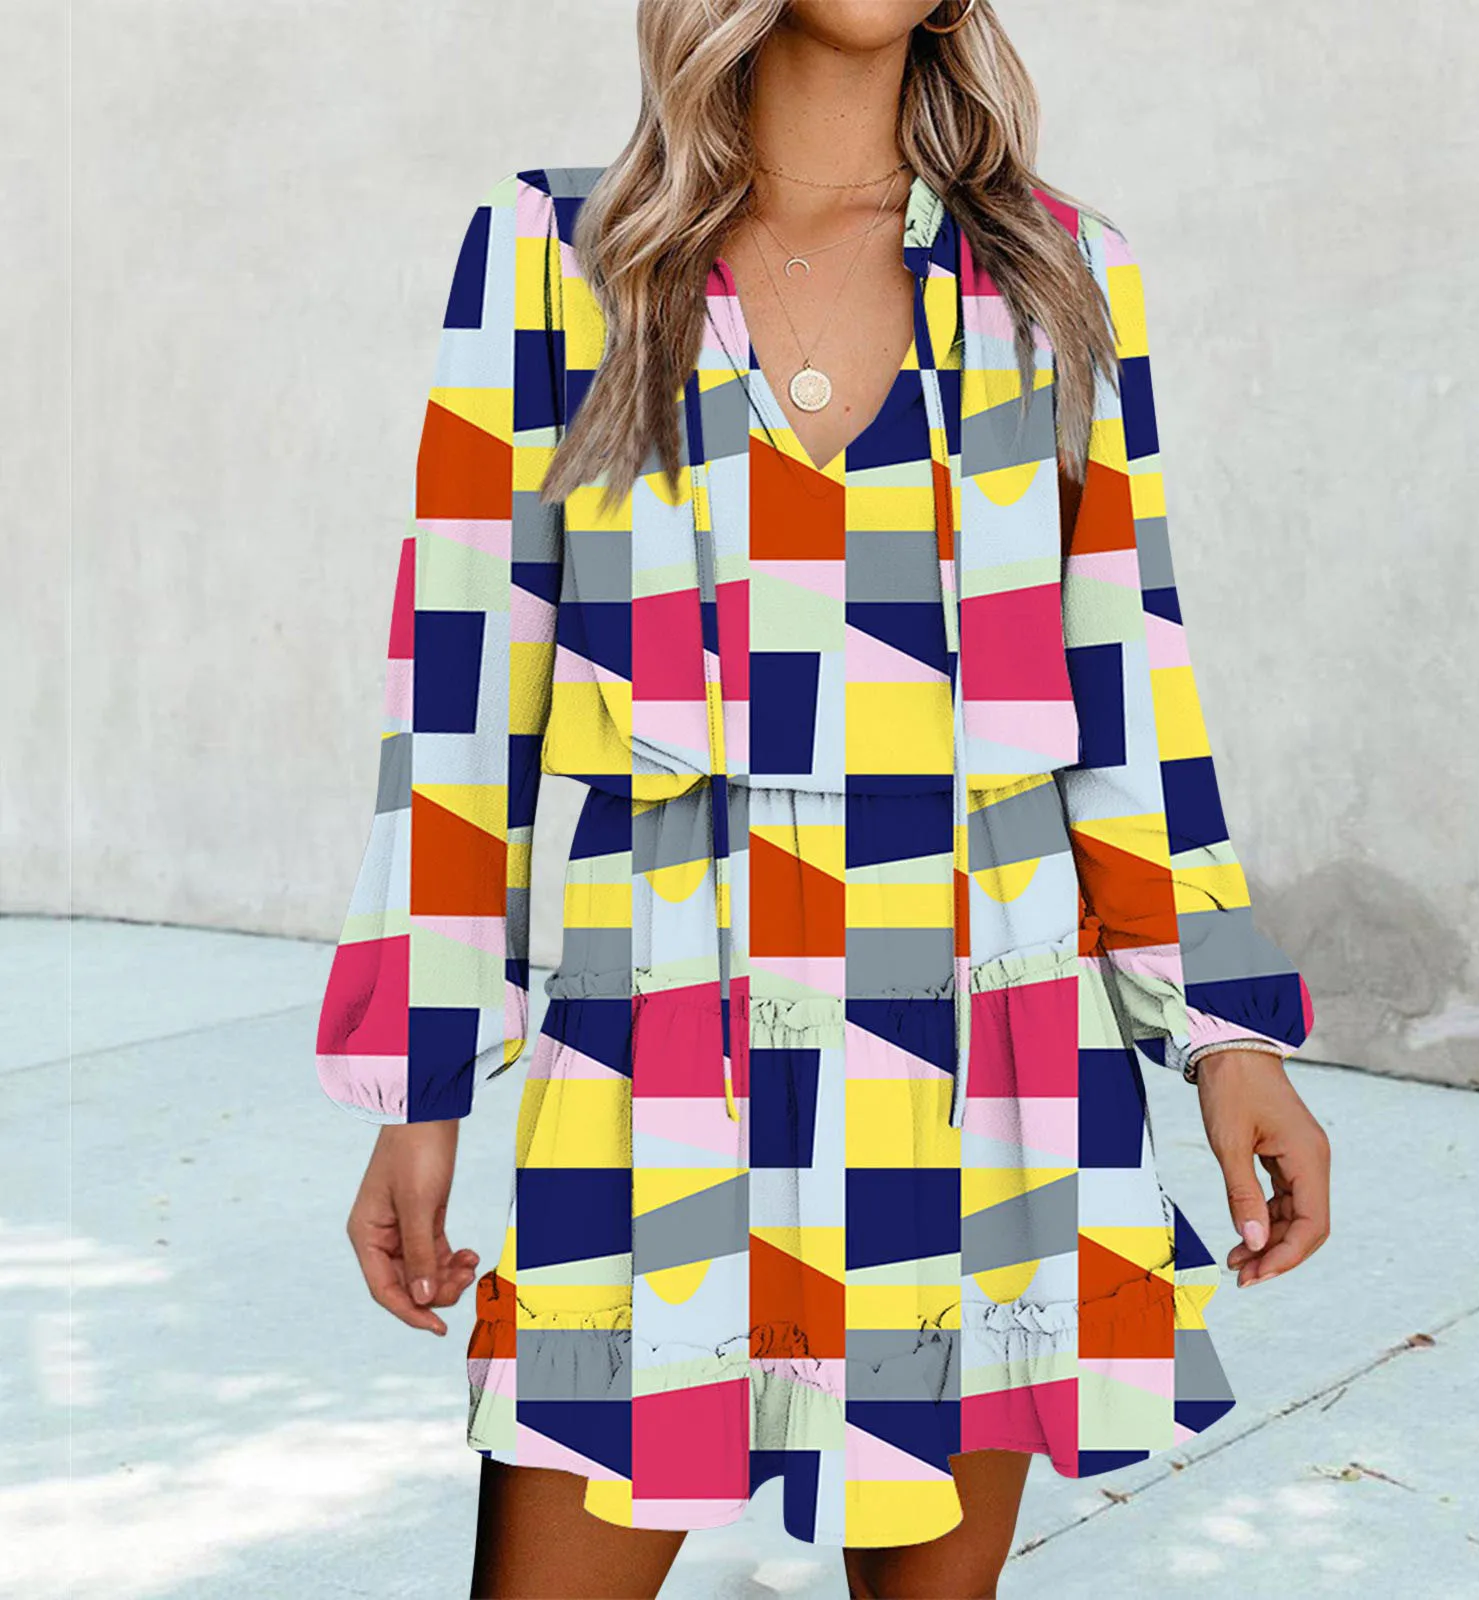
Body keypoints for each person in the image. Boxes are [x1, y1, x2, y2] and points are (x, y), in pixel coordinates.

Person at [313, 2, 1331, 1595]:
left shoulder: (1056, 278)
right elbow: (460, 694)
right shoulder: (560, 257)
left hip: (989, 1055)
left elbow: (1127, 691)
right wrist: (421, 1082)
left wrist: (1226, 1036)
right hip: (660, 1040)